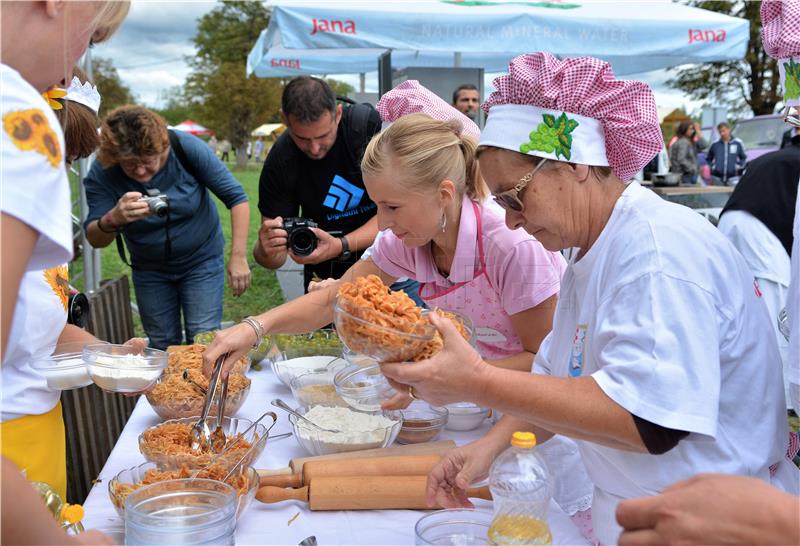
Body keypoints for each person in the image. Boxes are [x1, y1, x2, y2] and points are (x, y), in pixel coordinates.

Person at [373, 52, 796, 546]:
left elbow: (644, 420)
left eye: (513, 196)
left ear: (573, 164)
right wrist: (489, 446)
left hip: (718, 525)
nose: (508, 219)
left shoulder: (656, 252)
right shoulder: (592, 248)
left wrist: (478, 381)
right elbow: (557, 379)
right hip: (649, 512)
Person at [1, 2, 128, 543]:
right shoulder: (18, 122)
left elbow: (37, 327)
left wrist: (104, 356)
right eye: (92, 36)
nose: (69, 70)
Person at [83, 105, 251, 350]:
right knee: (162, 343)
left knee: (203, 339)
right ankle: (169, 389)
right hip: (149, 269)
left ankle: (205, 389)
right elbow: (95, 239)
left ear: (164, 147)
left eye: (149, 161)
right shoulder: (103, 170)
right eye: (130, 165)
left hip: (201, 261)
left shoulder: (186, 148)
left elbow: (237, 198)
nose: (141, 172)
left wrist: (238, 257)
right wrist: (113, 218)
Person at [255, 76, 420, 302]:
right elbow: (272, 259)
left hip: (393, 269)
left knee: (400, 331)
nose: (314, 148)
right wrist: (266, 249)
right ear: (284, 119)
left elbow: (400, 211)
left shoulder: (367, 128)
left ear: (338, 114)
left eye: (323, 136)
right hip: (325, 277)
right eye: (302, 138)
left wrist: (341, 244)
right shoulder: (281, 161)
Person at [717, 126, 799, 408]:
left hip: (732, 224)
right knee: (779, 318)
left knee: (741, 307)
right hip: (763, 238)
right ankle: (781, 400)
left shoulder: (775, 158)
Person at [706, 121, 746, 185]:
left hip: (733, 178)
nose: (722, 133)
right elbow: (708, 159)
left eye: (723, 131)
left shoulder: (737, 143)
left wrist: (738, 166)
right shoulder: (715, 144)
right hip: (717, 178)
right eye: (720, 132)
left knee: (732, 194)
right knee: (718, 195)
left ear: (729, 130)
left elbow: (744, 158)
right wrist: (713, 167)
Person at [669, 120, 704, 184]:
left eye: (693, 129)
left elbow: (704, 146)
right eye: (691, 129)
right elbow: (681, 159)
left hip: (686, 175)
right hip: (685, 176)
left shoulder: (689, 141)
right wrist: (692, 169)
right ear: (684, 129)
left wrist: (698, 132)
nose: (693, 131)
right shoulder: (683, 142)